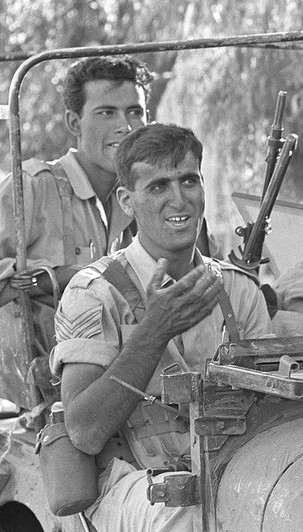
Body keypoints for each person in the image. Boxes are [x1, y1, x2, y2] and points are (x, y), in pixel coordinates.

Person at [49, 124, 272, 530]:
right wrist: (155, 330)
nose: (179, 198)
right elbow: (83, 430)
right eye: (157, 186)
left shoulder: (237, 290)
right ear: (127, 201)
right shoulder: (95, 292)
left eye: (189, 180)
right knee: (187, 515)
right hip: (129, 483)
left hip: (229, 470)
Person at [0, 56, 153, 373]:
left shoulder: (146, 196)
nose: (125, 126)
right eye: (106, 112)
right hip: (34, 393)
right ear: (74, 124)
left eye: (135, 112)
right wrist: (57, 279)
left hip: (116, 381)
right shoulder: (32, 188)